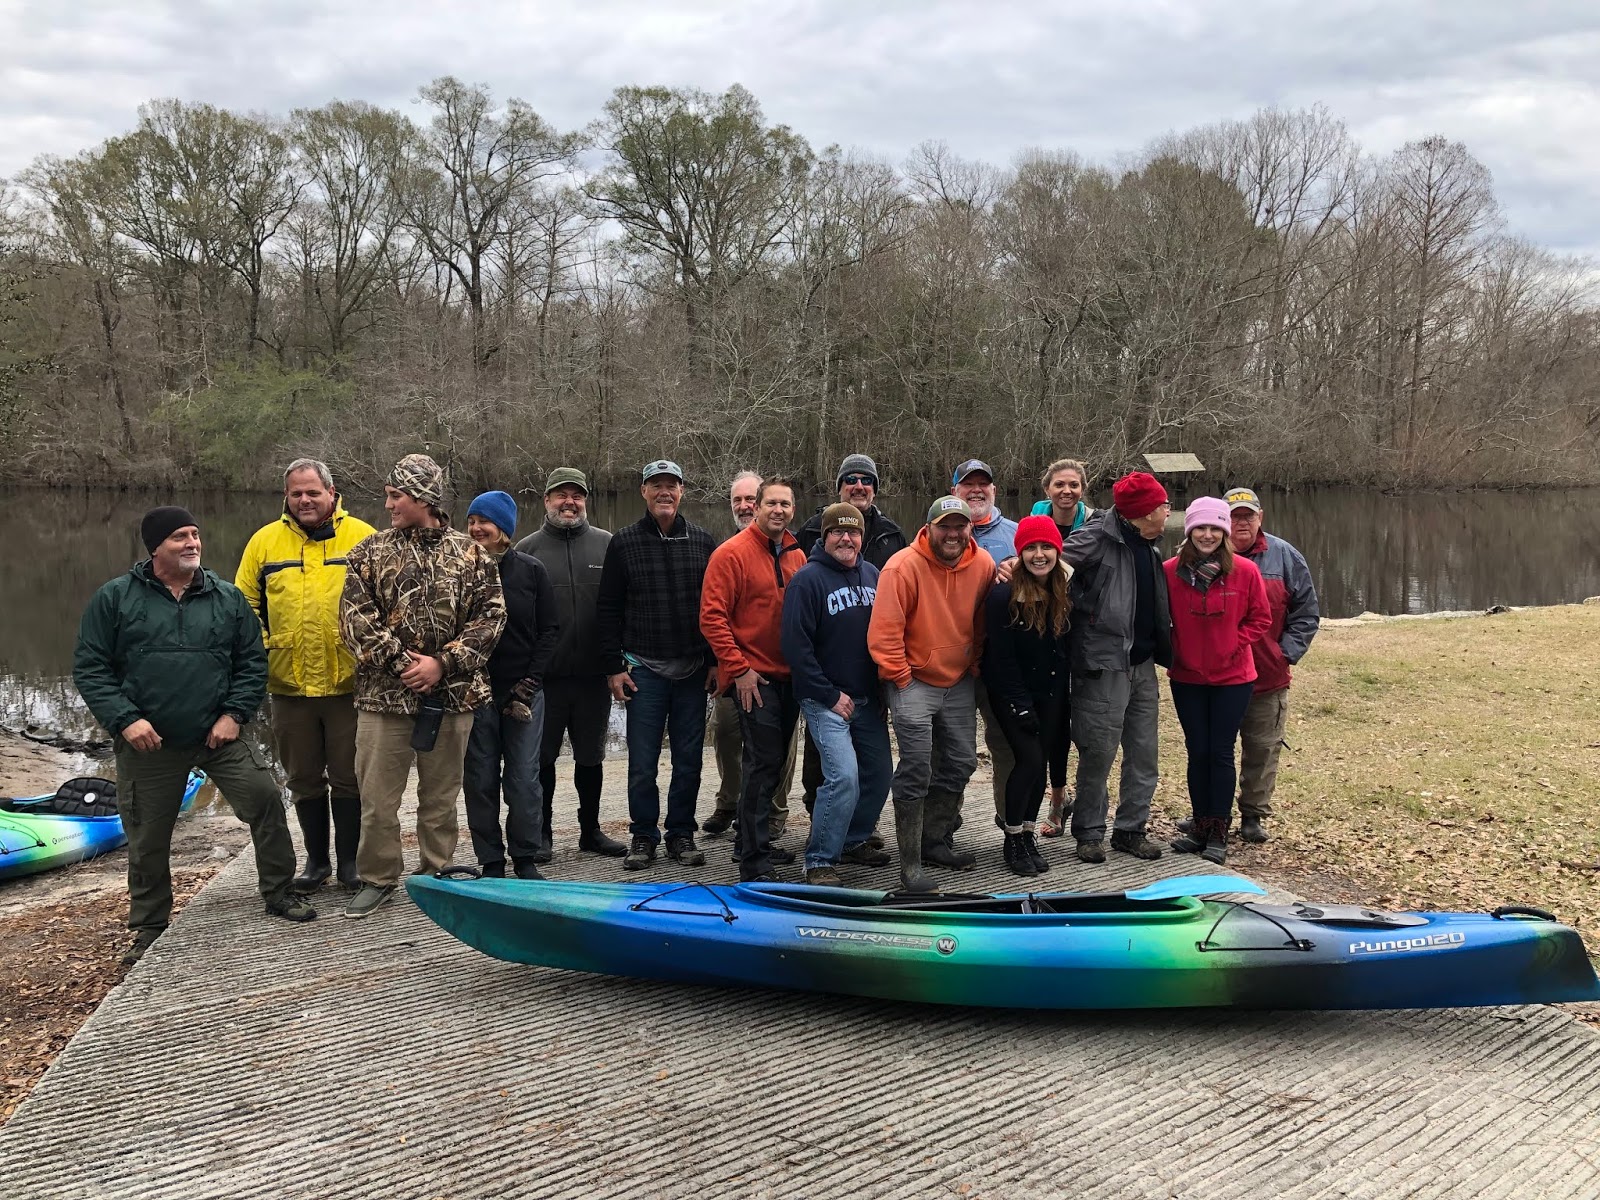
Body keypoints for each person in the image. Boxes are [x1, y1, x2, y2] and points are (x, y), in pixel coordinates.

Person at [74, 507, 316, 965]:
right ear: (155, 547)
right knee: (147, 834)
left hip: (217, 736)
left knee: (265, 798)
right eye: (179, 537)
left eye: (195, 535)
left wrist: (234, 715)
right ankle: (149, 927)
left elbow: (251, 664)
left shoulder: (227, 599)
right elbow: (91, 668)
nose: (192, 543)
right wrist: (126, 719)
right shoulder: (115, 599)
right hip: (150, 741)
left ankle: (280, 892)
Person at [339, 454, 506, 918]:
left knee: (441, 796)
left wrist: (442, 664)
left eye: (396, 496)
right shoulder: (369, 552)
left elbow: (491, 620)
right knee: (377, 799)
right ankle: (377, 878)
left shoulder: (473, 555)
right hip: (382, 699)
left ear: (425, 498)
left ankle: (436, 874)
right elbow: (354, 621)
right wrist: (402, 665)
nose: (388, 503)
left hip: (453, 698)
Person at [235, 458, 376, 893]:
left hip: (349, 686)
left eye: (312, 492)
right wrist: (264, 649)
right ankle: (317, 864)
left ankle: (351, 863)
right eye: (296, 493)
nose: (304, 500)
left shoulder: (364, 537)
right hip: (288, 687)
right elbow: (243, 610)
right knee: (303, 779)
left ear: (332, 494)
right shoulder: (264, 542)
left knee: (350, 777)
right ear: (286, 497)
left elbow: (386, 603)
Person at [597, 459, 718, 871]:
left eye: (672, 486)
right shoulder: (623, 542)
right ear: (644, 492)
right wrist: (614, 667)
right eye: (656, 486)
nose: (665, 492)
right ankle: (644, 834)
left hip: (693, 670)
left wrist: (717, 662)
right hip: (643, 670)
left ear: (682, 491)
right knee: (642, 760)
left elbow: (717, 609)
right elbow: (608, 609)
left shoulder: (704, 541)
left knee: (689, 758)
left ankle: (681, 832)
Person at [868, 496, 994, 892]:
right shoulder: (902, 567)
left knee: (960, 762)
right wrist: (901, 679)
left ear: (970, 527)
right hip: (912, 680)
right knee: (916, 766)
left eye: (960, 526)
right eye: (945, 526)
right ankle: (910, 867)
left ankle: (935, 841)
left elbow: (981, 621)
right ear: (929, 528)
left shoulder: (984, 565)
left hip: (958, 680)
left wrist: (973, 665)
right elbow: (885, 633)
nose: (953, 534)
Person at [516, 468, 626, 859]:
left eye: (576, 495)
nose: (569, 502)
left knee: (590, 757)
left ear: (585, 501)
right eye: (560, 495)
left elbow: (621, 610)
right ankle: (542, 832)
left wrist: (619, 662)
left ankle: (590, 831)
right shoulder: (526, 550)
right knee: (542, 758)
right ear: (546, 501)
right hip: (544, 680)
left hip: (594, 676)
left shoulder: (608, 546)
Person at [792, 453, 907, 828]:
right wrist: (820, 687)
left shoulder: (891, 535)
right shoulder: (810, 533)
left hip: (868, 681)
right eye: (851, 479)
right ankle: (823, 830)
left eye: (867, 480)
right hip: (825, 679)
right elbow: (798, 623)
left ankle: (857, 834)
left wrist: (886, 680)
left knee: (873, 769)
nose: (859, 486)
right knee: (827, 765)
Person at [700, 475, 806, 881]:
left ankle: (751, 841)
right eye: (771, 504)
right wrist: (739, 669)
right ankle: (753, 863)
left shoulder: (796, 553)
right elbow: (712, 618)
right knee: (762, 764)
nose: (778, 510)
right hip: (752, 679)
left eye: (785, 504)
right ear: (757, 507)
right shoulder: (731, 554)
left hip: (788, 678)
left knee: (771, 763)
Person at [1062, 471, 1172, 864]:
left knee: (1144, 753)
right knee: (1098, 753)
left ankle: (1130, 830)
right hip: (1102, 665)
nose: (1167, 511)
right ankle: (1089, 833)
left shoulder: (1150, 546)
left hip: (1141, 665)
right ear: (1143, 512)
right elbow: (1051, 572)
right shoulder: (1096, 537)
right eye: (1163, 506)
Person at [782, 503, 893, 886]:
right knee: (843, 776)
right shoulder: (806, 581)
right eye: (837, 532)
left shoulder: (873, 574)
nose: (846, 538)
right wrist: (830, 695)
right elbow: (796, 648)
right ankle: (819, 860)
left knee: (879, 774)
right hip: (825, 699)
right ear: (824, 536)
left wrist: (881, 690)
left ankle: (853, 838)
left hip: (867, 698)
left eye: (854, 532)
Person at [1164, 497, 1271, 864]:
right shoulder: (1170, 572)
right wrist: (1176, 647)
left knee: (1221, 751)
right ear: (1189, 530)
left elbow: (1260, 619)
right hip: (1187, 676)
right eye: (1200, 528)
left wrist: (1232, 643)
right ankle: (1199, 824)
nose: (1207, 535)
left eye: (1214, 528)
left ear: (1224, 532)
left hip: (1233, 677)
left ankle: (1219, 830)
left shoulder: (1244, 572)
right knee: (1198, 750)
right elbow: (1161, 621)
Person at [462, 491, 561, 880]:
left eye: (483, 521)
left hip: (523, 692)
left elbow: (549, 630)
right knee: (480, 778)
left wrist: (531, 681)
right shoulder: (460, 569)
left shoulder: (531, 570)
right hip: (475, 692)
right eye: (471, 521)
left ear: (503, 528)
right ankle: (490, 861)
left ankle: (525, 856)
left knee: (522, 778)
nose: (475, 528)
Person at [1223, 486, 1320, 843]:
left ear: (1260, 517)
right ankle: (1209, 813)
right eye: (1233, 517)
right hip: (1218, 678)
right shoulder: (1206, 553)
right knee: (1213, 750)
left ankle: (1252, 815)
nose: (1241, 523)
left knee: (1262, 749)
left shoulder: (1286, 557)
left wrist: (1284, 654)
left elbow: (1306, 613)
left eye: (1247, 516)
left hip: (1267, 675)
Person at [982, 515, 1072, 877]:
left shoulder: (1062, 590)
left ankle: (1029, 833)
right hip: (1013, 694)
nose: (1039, 555)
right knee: (1029, 761)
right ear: (1019, 553)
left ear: (1056, 551)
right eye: (1031, 548)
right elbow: (999, 658)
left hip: (1051, 693)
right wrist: (1019, 704)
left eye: (1046, 547)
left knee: (1043, 766)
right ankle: (1012, 836)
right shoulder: (1004, 594)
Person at [950, 458, 1017, 848]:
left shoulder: (1018, 534)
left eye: (983, 485)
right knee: (953, 748)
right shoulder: (940, 533)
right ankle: (944, 825)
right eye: (967, 484)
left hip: (1003, 660)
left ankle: (1010, 824)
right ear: (954, 489)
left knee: (1006, 744)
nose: (976, 490)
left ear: (993, 489)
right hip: (955, 660)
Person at [1028, 458, 1094, 836]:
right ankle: (1053, 798)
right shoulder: (1034, 523)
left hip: (1081, 628)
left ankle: (1061, 798)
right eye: (1059, 485)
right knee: (1048, 720)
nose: (1066, 491)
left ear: (1082, 488)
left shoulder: (1096, 523)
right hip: (1043, 630)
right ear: (1047, 489)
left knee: (1071, 722)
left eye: (1073, 485)